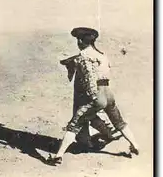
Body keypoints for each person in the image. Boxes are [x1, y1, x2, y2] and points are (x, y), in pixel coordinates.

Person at [47, 27, 140, 166]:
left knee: (75, 124)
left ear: (80, 41)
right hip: (108, 92)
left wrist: (93, 98)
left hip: (97, 94)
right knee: (119, 121)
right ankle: (135, 145)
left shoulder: (84, 56)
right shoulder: (101, 54)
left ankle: (58, 155)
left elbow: (90, 79)